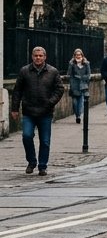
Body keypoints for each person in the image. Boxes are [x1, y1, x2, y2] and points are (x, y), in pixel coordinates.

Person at [11, 46, 64, 176]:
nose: (38, 58)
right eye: (36, 55)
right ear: (32, 57)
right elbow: (17, 91)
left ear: (45, 57)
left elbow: (59, 89)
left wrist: (50, 102)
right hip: (29, 111)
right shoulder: (24, 71)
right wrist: (14, 108)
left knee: (45, 141)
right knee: (27, 136)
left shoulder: (52, 71)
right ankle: (31, 161)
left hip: (45, 112)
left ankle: (42, 166)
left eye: (41, 56)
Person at [67, 48, 92, 123]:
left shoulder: (86, 63)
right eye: (76, 55)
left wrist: (82, 78)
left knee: (81, 102)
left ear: (82, 55)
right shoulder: (72, 63)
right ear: (74, 56)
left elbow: (88, 74)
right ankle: (76, 114)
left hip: (83, 85)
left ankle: (78, 116)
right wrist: (71, 65)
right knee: (74, 102)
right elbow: (69, 74)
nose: (78, 56)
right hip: (74, 85)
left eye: (79, 54)